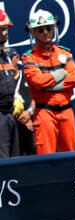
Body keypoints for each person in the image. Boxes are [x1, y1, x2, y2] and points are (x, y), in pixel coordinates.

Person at [22, 9, 75, 154]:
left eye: (49, 28)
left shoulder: (65, 53)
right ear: (34, 32)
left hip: (66, 111)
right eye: (40, 30)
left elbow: (74, 79)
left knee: (71, 154)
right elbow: (38, 82)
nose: (45, 32)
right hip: (44, 112)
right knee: (46, 156)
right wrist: (61, 73)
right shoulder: (29, 58)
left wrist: (49, 85)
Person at [0, 9, 20, 158]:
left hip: (10, 114)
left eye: (6, 29)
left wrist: (17, 97)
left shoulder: (7, 55)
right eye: (1, 29)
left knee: (14, 160)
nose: (5, 33)